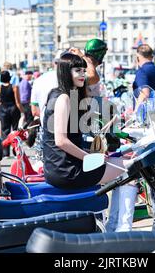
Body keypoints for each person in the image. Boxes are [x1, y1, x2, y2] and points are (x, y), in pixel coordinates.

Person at [42, 53, 134, 231]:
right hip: (66, 169)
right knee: (131, 167)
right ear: (65, 72)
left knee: (123, 162)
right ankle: (121, 229)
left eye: (83, 70)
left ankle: (114, 225)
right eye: (78, 70)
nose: (83, 74)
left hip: (60, 165)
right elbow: (61, 141)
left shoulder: (59, 94)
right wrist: (91, 158)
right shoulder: (63, 98)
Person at [0, 71, 24, 156]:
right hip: (13, 109)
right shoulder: (14, 87)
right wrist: (23, 111)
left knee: (5, 131)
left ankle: (5, 152)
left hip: (3, 110)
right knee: (16, 130)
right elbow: (17, 102)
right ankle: (16, 150)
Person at [30, 53, 60, 125]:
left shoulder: (38, 80)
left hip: (46, 126)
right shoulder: (71, 80)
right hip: (67, 129)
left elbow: (34, 111)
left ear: (54, 63)